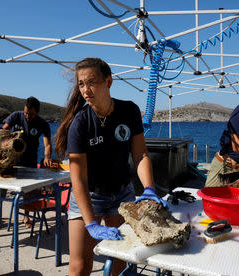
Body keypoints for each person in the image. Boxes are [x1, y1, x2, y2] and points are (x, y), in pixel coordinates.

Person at [54, 57, 165, 276]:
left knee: (120, 259)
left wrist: (149, 188)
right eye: (81, 84)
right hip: (88, 195)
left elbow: (140, 154)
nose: (86, 89)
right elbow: (78, 179)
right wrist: (91, 223)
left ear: (109, 82)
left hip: (122, 194)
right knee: (79, 265)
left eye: (92, 82)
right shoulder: (80, 123)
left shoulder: (129, 111)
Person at [0, 96, 52, 231]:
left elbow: (48, 144)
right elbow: (3, 132)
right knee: (0, 187)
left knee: (28, 191)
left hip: (30, 160)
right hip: (12, 159)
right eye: (26, 112)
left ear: (37, 112)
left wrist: (47, 156)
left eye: (31, 114)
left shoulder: (42, 123)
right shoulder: (16, 116)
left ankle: (26, 217)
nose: (27, 116)